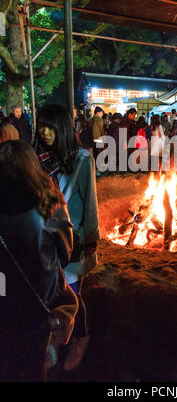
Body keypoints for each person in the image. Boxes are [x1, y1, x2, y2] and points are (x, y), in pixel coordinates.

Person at [0, 140, 77, 381]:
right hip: (41, 301)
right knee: (35, 367)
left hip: (6, 303)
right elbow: (66, 252)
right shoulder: (49, 204)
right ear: (33, 166)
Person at [35, 104, 100, 372]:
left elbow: (91, 202)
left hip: (73, 240)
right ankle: (55, 339)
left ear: (62, 128)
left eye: (50, 126)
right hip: (45, 239)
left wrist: (91, 240)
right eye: (41, 126)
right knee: (49, 293)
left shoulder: (82, 159)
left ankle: (80, 338)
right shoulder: (37, 161)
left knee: (70, 295)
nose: (44, 131)